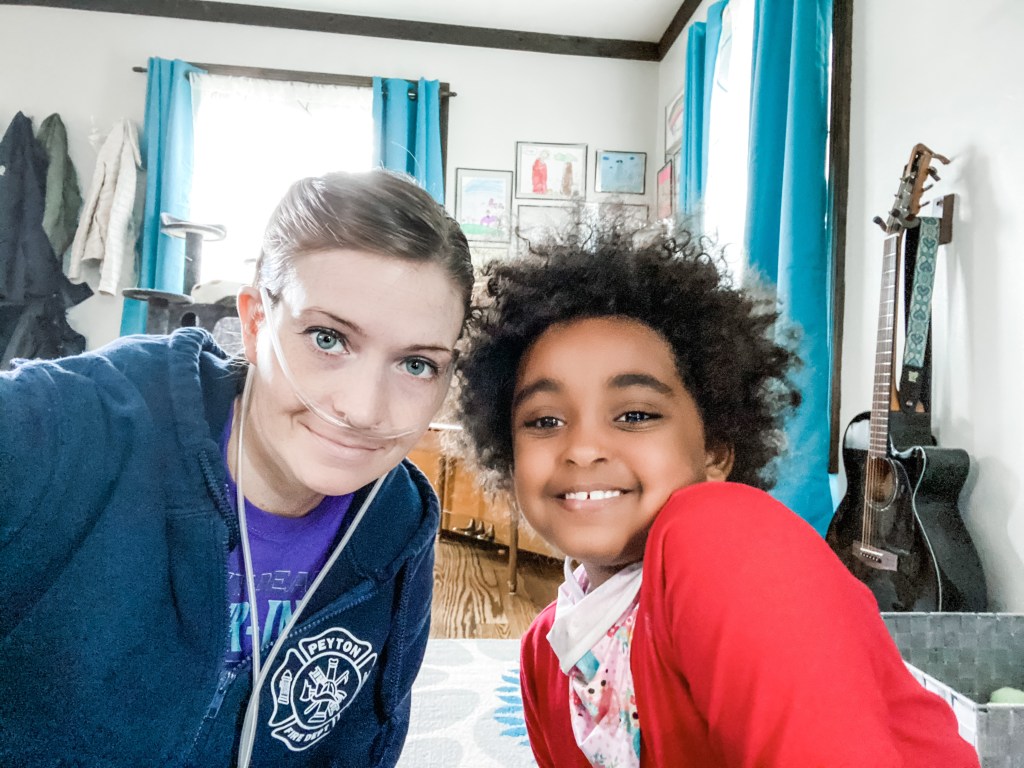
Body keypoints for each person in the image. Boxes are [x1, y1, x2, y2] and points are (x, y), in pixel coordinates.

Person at [454, 218, 980, 767]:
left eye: (635, 415)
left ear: (716, 453)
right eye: (544, 421)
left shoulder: (718, 538)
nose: (583, 449)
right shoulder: (546, 652)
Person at [0, 169, 473, 768]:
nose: (363, 409)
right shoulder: (78, 424)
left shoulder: (397, 517)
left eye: (416, 364)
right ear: (254, 324)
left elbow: (363, 742)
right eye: (327, 338)